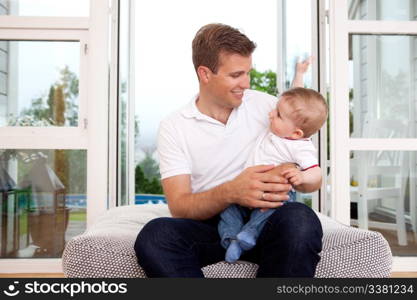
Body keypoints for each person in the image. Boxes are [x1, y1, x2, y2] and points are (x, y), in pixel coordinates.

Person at [134, 23, 323, 277]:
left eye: (248, 73)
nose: (245, 83)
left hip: (268, 217)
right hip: (215, 226)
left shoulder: (266, 106)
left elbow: (299, 149)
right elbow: (179, 207)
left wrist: (292, 171)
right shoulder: (174, 126)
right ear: (205, 74)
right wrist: (233, 191)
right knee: (155, 236)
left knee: (300, 220)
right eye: (236, 75)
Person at [219, 87, 328, 263]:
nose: (270, 114)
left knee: (270, 210)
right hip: (246, 192)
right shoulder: (276, 130)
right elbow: (295, 101)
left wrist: (302, 177)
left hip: (274, 195)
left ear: (296, 133)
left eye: (277, 114)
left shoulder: (301, 147)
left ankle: (249, 234)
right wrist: (299, 73)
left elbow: (316, 173)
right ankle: (231, 238)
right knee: (227, 209)